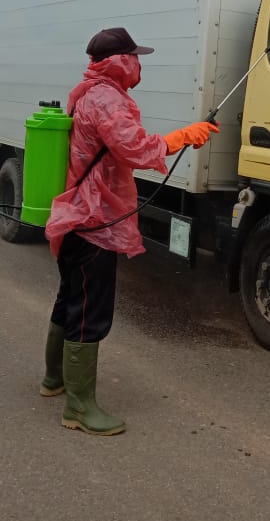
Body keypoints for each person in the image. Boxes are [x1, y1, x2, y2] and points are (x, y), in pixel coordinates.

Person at [40, 27, 218, 436]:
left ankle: (54, 380)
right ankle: (79, 409)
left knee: (70, 299)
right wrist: (184, 136)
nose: (139, 64)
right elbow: (135, 149)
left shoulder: (88, 92)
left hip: (77, 217)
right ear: (119, 62)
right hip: (93, 223)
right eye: (134, 57)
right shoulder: (106, 100)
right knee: (89, 310)